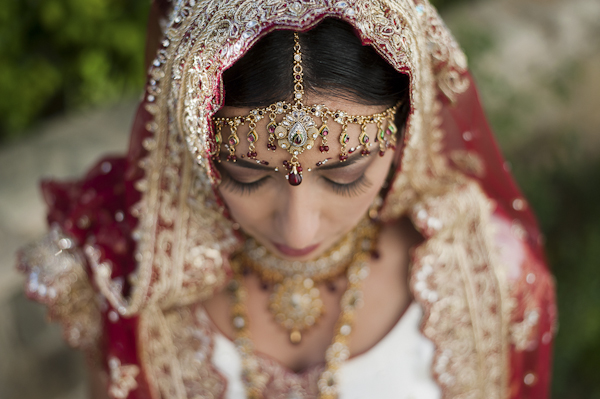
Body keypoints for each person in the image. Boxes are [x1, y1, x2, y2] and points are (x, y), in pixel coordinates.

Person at [17, 0, 556, 398]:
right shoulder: (119, 273)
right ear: (195, 149)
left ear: (404, 136)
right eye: (245, 174)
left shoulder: (491, 272)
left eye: (345, 174)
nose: (298, 229)